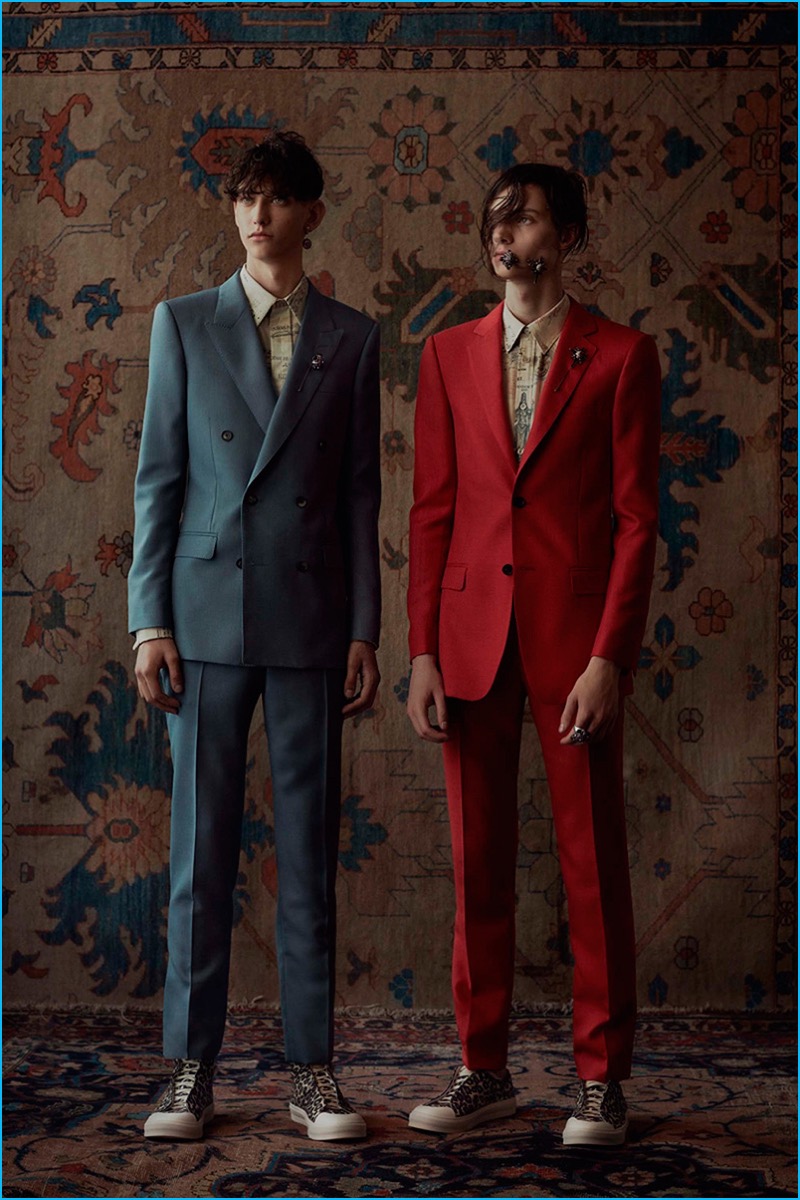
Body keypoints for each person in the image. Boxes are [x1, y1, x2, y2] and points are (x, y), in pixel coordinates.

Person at [128, 131, 381, 1142]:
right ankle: (189, 1070)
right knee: (201, 851)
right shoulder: (184, 322)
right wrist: (148, 619)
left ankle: (312, 1072)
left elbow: (359, 496)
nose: (257, 215)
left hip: (311, 617)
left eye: (276, 198)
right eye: (244, 197)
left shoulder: (351, 337)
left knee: (308, 852)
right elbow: (158, 478)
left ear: (311, 212)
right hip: (201, 617)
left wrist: (364, 628)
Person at [406, 163, 660, 1146]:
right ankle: (483, 1068)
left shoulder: (621, 355)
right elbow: (431, 511)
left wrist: (609, 658)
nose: (503, 233)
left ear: (568, 236)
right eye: (495, 219)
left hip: (574, 645)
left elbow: (635, 522)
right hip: (469, 639)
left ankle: (601, 1079)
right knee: (477, 863)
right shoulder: (445, 354)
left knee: (591, 860)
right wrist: (422, 650)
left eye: (524, 218)